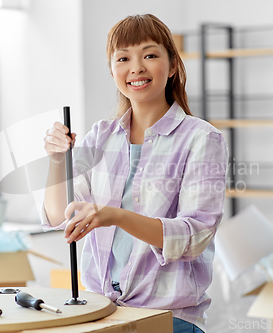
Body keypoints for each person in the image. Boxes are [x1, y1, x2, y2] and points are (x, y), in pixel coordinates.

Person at [42, 13, 228, 333]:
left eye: (150, 55)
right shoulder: (100, 136)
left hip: (170, 318)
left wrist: (114, 216)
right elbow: (59, 214)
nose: (136, 67)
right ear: (113, 70)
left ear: (172, 67)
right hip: (101, 310)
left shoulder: (202, 139)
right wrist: (57, 160)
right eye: (123, 58)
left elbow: (193, 236)